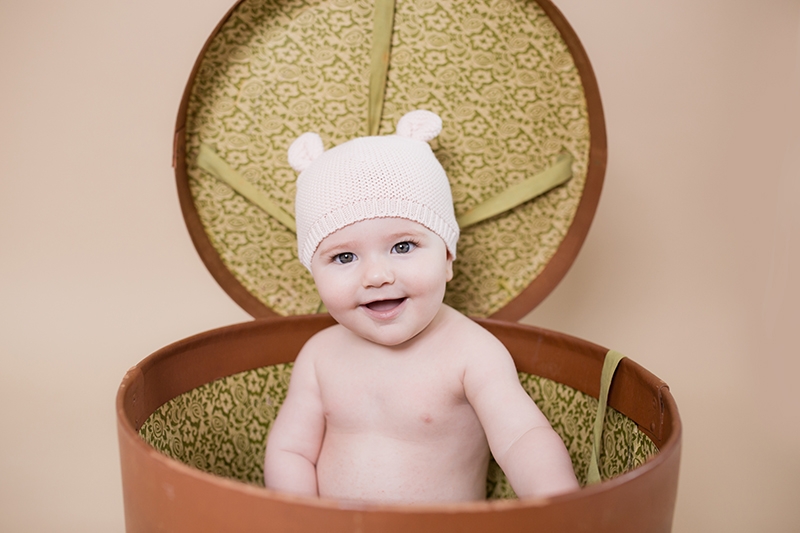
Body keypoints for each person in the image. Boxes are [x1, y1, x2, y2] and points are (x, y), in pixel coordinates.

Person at [264, 110, 579, 504]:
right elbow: (291, 451)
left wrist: (560, 506)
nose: (376, 276)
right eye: (344, 258)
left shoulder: (471, 351)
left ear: (447, 258)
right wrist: (302, 519)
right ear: (313, 272)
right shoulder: (319, 355)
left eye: (402, 247)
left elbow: (522, 438)